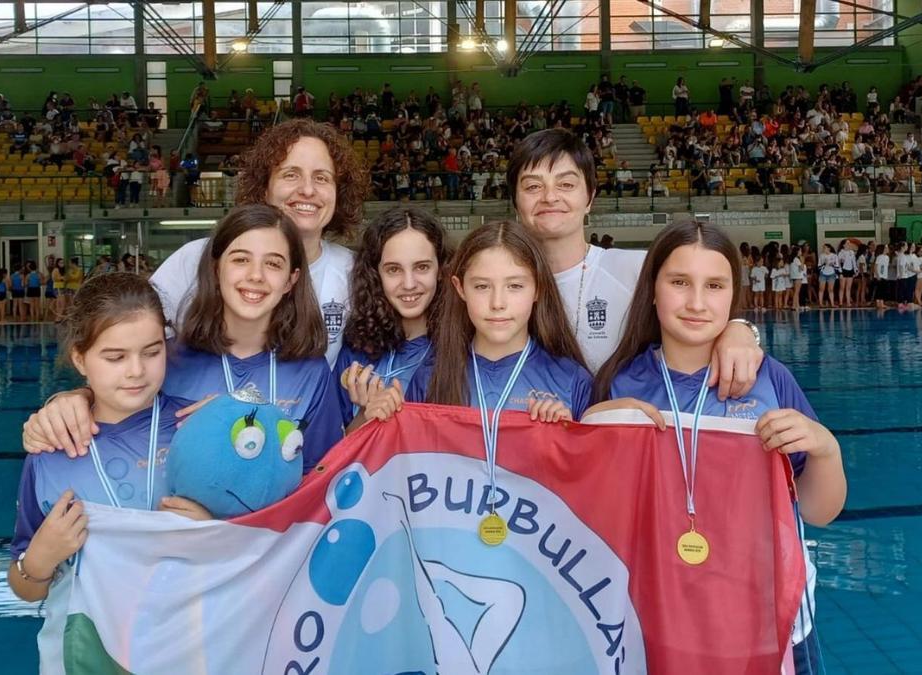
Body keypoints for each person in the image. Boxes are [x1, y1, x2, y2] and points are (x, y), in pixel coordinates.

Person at [586, 221, 845, 675]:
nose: (697, 302)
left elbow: (819, 512)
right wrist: (594, 432)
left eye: (715, 285)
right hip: (659, 620)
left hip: (767, 618)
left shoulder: (769, 379)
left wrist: (826, 449)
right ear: (652, 290)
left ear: (733, 295)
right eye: (679, 282)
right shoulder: (621, 385)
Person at [21, 205, 343, 472]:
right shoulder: (168, 362)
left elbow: (321, 477)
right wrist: (74, 400)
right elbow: (119, 417)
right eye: (241, 259)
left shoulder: (311, 373)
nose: (256, 275)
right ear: (216, 269)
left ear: (291, 280)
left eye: (273, 264)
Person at [504, 129, 762, 394]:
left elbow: (700, 311)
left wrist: (740, 331)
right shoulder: (498, 284)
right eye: (533, 186)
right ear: (515, 200)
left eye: (566, 184)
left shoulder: (635, 270)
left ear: (590, 197)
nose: (549, 197)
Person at [8, 272, 194, 604]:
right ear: (80, 359)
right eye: (115, 358)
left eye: (151, 353)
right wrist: (39, 559)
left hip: (182, 642)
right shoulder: (50, 450)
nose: (136, 370)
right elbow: (26, 590)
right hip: (85, 650)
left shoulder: (194, 428)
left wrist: (212, 533)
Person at [151, 119, 369, 367]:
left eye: (322, 178)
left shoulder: (354, 271)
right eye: (291, 174)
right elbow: (134, 342)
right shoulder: (196, 259)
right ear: (264, 188)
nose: (308, 190)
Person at [362, 220, 592, 426]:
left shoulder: (572, 381)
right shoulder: (431, 377)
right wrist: (378, 421)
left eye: (515, 286)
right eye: (482, 286)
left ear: (538, 289)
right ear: (460, 288)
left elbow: (599, 468)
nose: (497, 303)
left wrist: (567, 438)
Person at [336, 207, 450, 427]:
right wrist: (364, 415)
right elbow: (335, 450)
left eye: (422, 267)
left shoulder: (460, 349)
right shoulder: (356, 349)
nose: (408, 284)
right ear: (375, 274)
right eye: (393, 270)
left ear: (441, 270)